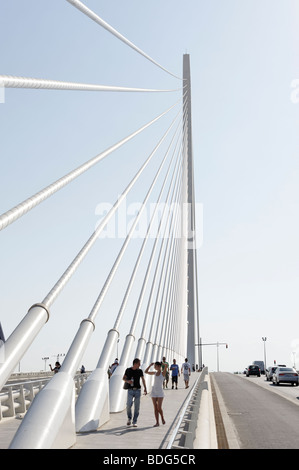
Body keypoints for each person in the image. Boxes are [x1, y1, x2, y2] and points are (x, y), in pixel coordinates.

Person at [123, 358, 147, 427]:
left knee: (137, 407)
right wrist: (128, 381)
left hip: (138, 390)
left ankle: (134, 421)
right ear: (135, 364)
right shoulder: (128, 370)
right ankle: (129, 418)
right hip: (130, 390)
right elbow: (123, 378)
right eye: (139, 363)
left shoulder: (140, 371)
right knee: (128, 405)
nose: (140, 365)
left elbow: (143, 379)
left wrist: (145, 388)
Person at [145, 362, 166, 427]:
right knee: (155, 408)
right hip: (154, 391)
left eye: (155, 366)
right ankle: (157, 422)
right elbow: (146, 371)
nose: (154, 367)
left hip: (160, 392)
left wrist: (163, 364)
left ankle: (162, 417)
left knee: (159, 407)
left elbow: (166, 366)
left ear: (159, 366)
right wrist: (150, 365)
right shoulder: (154, 373)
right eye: (154, 366)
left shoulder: (162, 373)